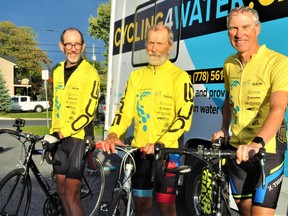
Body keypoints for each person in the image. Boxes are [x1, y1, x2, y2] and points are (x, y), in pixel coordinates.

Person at [97, 24, 194, 216]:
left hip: (168, 153)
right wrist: (114, 133)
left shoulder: (179, 77)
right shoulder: (137, 76)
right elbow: (125, 111)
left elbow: (184, 118)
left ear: (169, 47)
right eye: (150, 43)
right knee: (141, 206)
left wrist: (161, 142)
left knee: (167, 208)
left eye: (159, 43)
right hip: (140, 152)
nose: (154, 48)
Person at [212, 6, 288, 216]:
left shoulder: (278, 62)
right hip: (237, 150)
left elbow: (278, 107)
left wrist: (258, 142)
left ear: (257, 29)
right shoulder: (229, 64)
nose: (239, 34)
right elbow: (228, 99)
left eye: (245, 27)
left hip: (267, 149)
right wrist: (223, 128)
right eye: (233, 28)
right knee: (245, 212)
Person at [45, 27, 100, 216]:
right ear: (62, 46)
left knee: (70, 194)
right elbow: (57, 108)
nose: (73, 48)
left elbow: (88, 113)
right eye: (69, 44)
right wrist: (52, 137)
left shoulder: (90, 73)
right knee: (60, 191)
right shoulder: (58, 71)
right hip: (59, 139)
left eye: (77, 44)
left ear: (83, 46)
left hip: (77, 137)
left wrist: (60, 134)